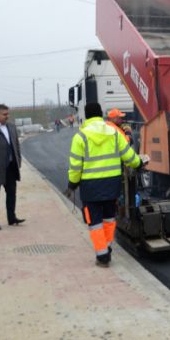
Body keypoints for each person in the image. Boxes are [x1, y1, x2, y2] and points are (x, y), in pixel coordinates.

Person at [65, 102, 149, 267]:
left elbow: (75, 166)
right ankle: (107, 246)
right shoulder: (114, 133)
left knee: (94, 221)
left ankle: (103, 255)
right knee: (109, 217)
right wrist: (139, 164)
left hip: (90, 187)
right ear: (101, 114)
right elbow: (128, 155)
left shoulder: (80, 137)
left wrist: (72, 184)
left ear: (87, 116)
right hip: (112, 184)